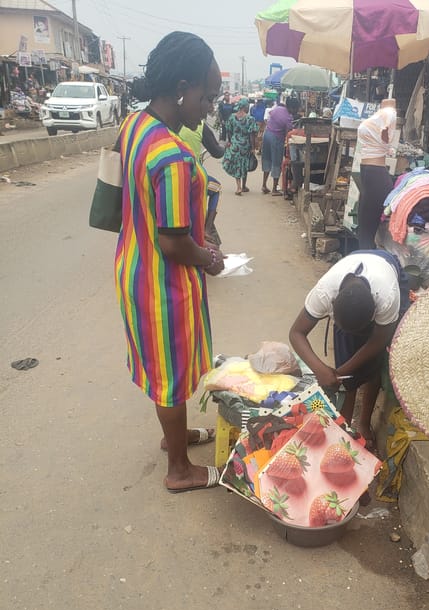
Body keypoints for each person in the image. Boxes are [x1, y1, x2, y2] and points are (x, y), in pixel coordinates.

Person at [115, 31, 225, 493]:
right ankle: (180, 469)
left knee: (161, 367)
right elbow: (175, 243)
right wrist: (212, 259)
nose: (208, 109)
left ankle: (173, 438)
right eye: (207, 96)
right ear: (183, 88)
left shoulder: (135, 127)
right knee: (172, 375)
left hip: (132, 268)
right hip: (163, 283)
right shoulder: (173, 157)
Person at [289, 250, 409, 450]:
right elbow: (296, 333)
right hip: (356, 265)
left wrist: (342, 371)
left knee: (375, 363)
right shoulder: (325, 293)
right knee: (348, 371)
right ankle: (342, 428)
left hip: (387, 266)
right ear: (333, 306)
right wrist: (321, 369)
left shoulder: (388, 298)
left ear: (374, 312)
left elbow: (378, 340)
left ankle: (363, 422)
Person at [356, 99, 397, 248]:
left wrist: (385, 130)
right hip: (369, 174)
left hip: (376, 176)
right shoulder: (382, 113)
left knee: (366, 235)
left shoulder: (390, 113)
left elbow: (386, 135)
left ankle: (366, 267)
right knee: (364, 232)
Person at [179, 119, 225, 242]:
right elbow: (216, 152)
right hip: (193, 177)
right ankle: (207, 229)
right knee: (217, 188)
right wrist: (223, 147)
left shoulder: (168, 123)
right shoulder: (199, 125)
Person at [261, 96, 300, 196]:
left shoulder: (277, 108)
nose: (296, 111)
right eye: (296, 108)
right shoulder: (288, 118)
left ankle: (264, 185)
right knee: (276, 163)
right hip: (276, 138)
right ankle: (274, 189)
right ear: (292, 107)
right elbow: (289, 133)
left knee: (267, 160)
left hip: (267, 135)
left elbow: (271, 117)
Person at [222, 98, 258, 196]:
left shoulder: (232, 117)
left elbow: (229, 130)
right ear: (245, 106)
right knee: (244, 165)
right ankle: (243, 186)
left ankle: (238, 186)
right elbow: (252, 135)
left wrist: (230, 141)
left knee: (237, 165)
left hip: (235, 144)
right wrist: (253, 147)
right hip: (245, 145)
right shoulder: (250, 119)